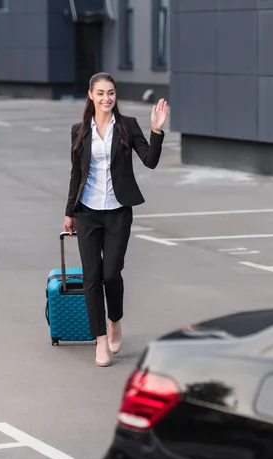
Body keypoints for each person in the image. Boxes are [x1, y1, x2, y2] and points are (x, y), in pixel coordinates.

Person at [63, 72, 168, 367]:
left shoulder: (127, 126)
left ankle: (115, 321)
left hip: (118, 210)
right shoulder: (79, 130)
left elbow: (150, 161)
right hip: (86, 212)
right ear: (90, 95)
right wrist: (69, 211)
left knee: (111, 274)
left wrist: (156, 130)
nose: (106, 98)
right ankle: (99, 342)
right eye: (100, 93)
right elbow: (76, 174)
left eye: (111, 92)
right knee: (91, 278)